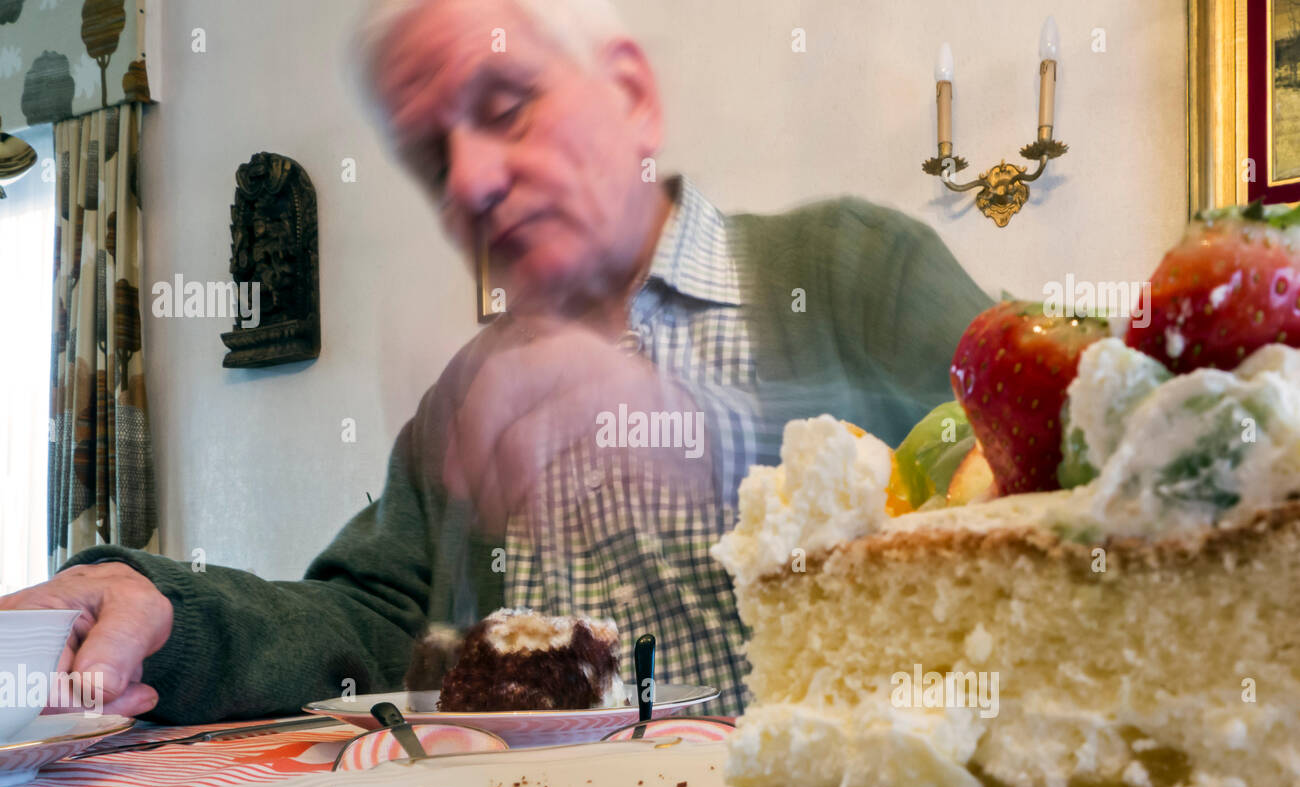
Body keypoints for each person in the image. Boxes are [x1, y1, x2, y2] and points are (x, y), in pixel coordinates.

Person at [0, 0, 990, 721]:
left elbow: (1094, 481)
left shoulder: (854, 269)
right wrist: (172, 607)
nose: (469, 182)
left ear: (633, 97)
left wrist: (695, 434)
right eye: (433, 158)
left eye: (508, 105)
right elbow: (374, 618)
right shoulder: (470, 393)